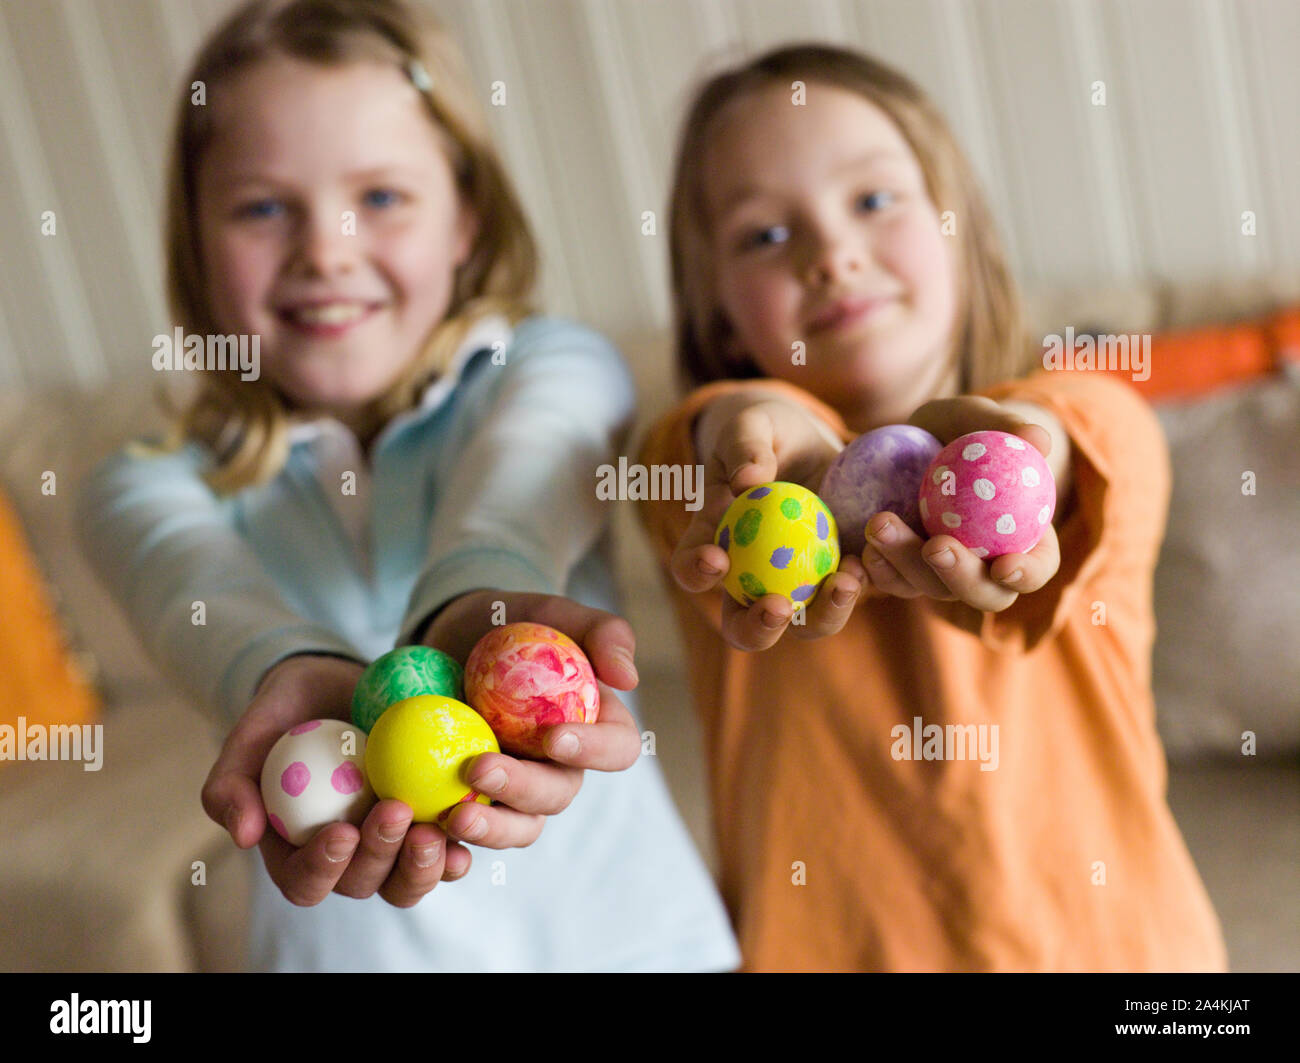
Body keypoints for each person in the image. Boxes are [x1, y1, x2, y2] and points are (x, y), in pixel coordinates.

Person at [77, 0, 738, 973]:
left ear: (465, 217)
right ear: (197, 249)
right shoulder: (140, 484)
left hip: (630, 942)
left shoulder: (549, 369)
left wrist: (472, 604)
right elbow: (193, 589)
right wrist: (283, 666)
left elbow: (524, 475)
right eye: (263, 207)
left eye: (380, 196)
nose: (327, 250)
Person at [638, 43, 1227, 971]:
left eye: (874, 200)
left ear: (962, 232)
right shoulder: (710, 480)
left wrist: (1021, 450)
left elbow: (1065, 444)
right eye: (762, 234)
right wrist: (757, 436)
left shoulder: (1096, 414)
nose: (832, 254)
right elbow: (711, 431)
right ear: (715, 311)